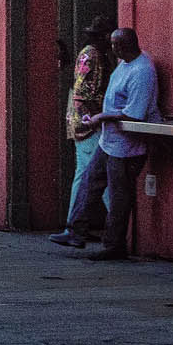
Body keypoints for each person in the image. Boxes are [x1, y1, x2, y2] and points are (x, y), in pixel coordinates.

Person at [50, 27, 161, 260]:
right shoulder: (124, 64)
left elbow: (135, 113)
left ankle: (114, 245)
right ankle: (75, 230)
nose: (112, 49)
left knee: (120, 195)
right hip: (110, 139)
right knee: (90, 181)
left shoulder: (142, 71)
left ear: (123, 46)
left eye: (115, 45)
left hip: (127, 145)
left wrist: (101, 117)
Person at [64, 16, 114, 232]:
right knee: (98, 175)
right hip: (88, 125)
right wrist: (95, 120)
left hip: (82, 123)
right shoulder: (92, 55)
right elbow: (82, 94)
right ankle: (119, 228)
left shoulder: (92, 54)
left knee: (85, 173)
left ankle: (73, 225)